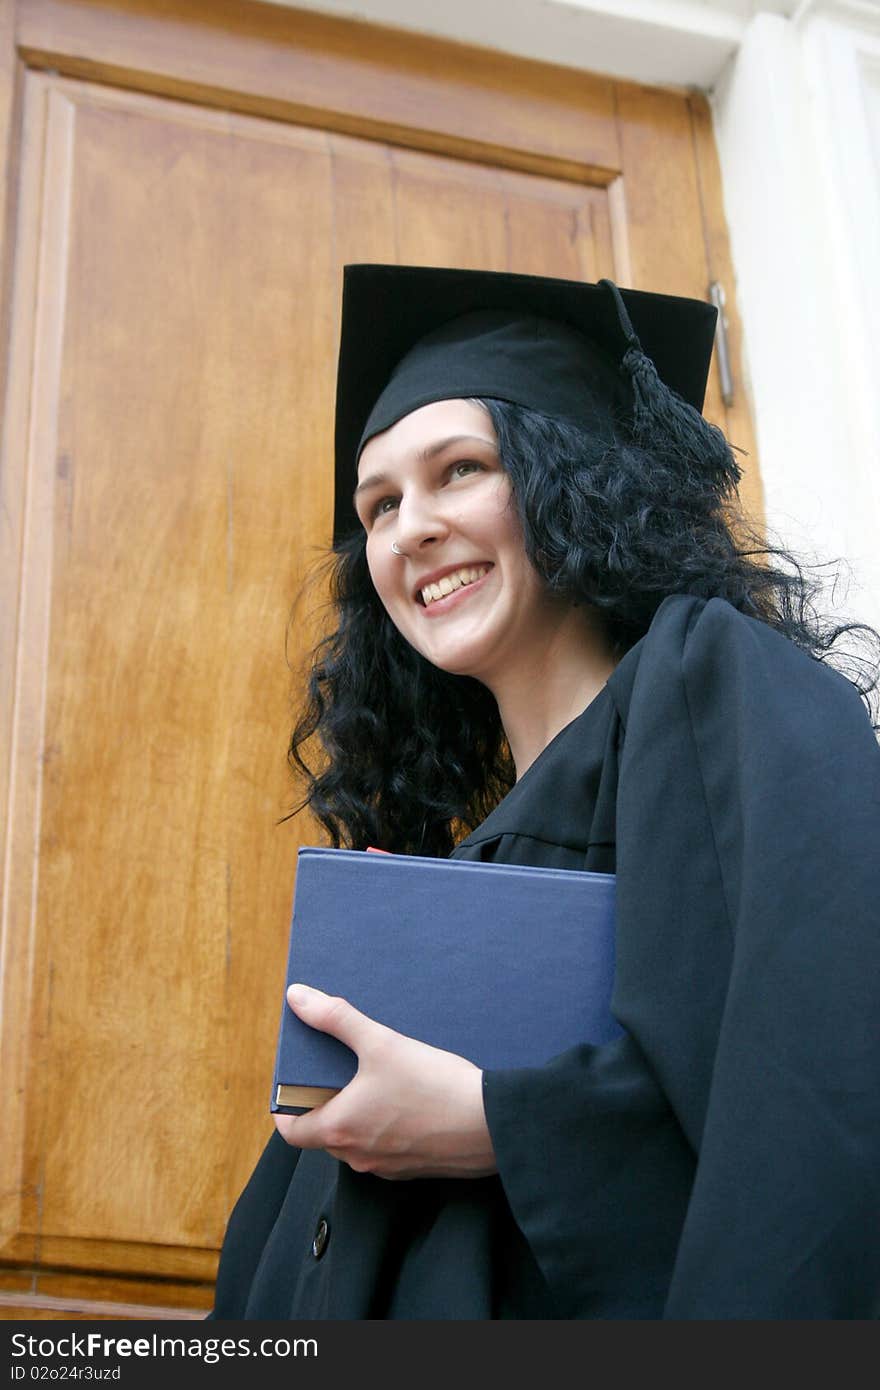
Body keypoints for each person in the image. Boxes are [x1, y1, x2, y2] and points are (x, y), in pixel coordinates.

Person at [209, 264, 880, 1320]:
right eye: (377, 503)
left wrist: (494, 1124)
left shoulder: (714, 683)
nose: (407, 528)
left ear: (574, 477)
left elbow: (822, 1100)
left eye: (459, 469)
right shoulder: (449, 867)